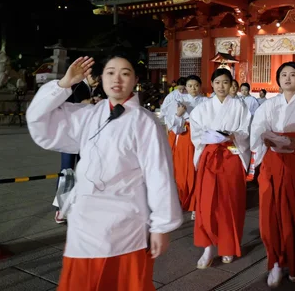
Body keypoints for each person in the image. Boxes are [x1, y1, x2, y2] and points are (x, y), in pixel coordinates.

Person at [26, 54, 183, 290]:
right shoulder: (88, 115)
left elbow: (159, 175)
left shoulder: (145, 121)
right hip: (85, 223)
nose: (116, 79)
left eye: (125, 73)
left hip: (126, 223)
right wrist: (64, 84)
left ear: (135, 80)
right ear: (101, 78)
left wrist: (161, 226)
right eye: (110, 72)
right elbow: (40, 123)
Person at [250, 62, 295, 287]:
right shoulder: (268, 105)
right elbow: (256, 132)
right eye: (283, 74)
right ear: (278, 79)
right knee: (269, 216)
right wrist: (267, 138)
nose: (288, 78)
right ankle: (274, 261)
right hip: (272, 162)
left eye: (293, 75)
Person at [189, 68, 251, 268]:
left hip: (231, 155)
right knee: (207, 203)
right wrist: (210, 136)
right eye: (217, 82)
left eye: (225, 82)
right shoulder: (203, 108)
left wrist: (233, 134)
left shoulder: (240, 106)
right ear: (212, 84)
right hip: (210, 156)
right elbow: (196, 131)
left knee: (229, 203)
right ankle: (208, 247)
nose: (221, 86)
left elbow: (246, 130)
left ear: (231, 84)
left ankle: (228, 246)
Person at [53, 63, 106, 224]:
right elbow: (63, 107)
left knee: (86, 171)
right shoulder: (75, 87)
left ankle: (81, 206)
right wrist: (84, 103)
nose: (97, 83)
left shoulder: (98, 90)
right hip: (70, 137)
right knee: (67, 172)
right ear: (87, 74)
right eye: (95, 79)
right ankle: (61, 209)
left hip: (87, 138)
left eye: (99, 80)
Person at [160, 74, 205, 221]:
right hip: (185, 138)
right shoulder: (179, 101)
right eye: (190, 86)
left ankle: (195, 205)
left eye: (196, 85)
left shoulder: (206, 102)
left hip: (200, 139)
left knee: (196, 171)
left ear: (201, 86)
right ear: (186, 87)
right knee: (181, 171)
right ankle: (181, 200)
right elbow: (174, 125)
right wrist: (179, 115)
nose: (193, 88)